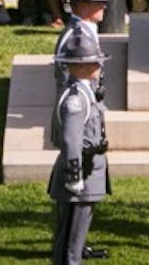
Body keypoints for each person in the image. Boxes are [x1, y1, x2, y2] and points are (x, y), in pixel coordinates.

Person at [50, 31, 111, 265]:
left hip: (87, 173)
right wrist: (74, 176)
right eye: (95, 62)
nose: (99, 66)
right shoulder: (76, 99)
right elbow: (71, 140)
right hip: (81, 175)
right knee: (71, 246)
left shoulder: (85, 92)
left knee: (72, 238)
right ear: (83, 66)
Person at [55, 0, 111, 99]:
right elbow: (68, 84)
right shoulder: (76, 38)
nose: (104, 6)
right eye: (99, 2)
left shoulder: (84, 31)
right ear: (84, 5)